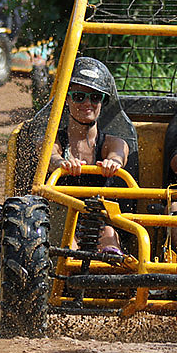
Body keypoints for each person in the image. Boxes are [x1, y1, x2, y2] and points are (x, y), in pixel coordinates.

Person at [47, 57, 130, 254]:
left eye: (95, 98)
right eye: (79, 96)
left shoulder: (111, 142)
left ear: (103, 102)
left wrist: (113, 162)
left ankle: (109, 280)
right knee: (68, 244)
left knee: (109, 235)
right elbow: (50, 157)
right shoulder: (54, 140)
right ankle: (66, 280)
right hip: (60, 219)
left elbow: (119, 153)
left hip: (97, 221)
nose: (87, 103)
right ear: (66, 98)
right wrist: (63, 163)